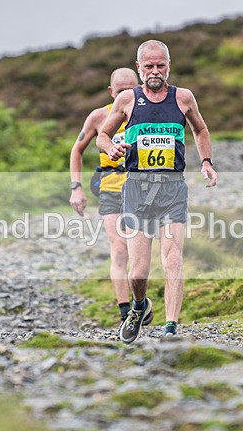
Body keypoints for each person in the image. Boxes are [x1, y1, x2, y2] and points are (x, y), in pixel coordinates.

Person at [96, 39, 217, 343]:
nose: (155, 71)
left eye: (160, 65)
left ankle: (171, 328)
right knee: (138, 270)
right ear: (139, 68)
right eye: (148, 66)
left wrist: (206, 161)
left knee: (173, 258)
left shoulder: (183, 98)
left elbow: (200, 129)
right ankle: (138, 306)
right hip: (136, 188)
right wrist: (111, 149)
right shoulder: (127, 100)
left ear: (169, 66)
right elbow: (102, 135)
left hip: (172, 188)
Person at [69, 68, 152, 326]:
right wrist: (76, 187)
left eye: (130, 90)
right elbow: (77, 150)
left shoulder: (149, 111)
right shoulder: (99, 116)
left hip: (143, 189)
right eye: (120, 92)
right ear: (110, 92)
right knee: (118, 250)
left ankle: (141, 302)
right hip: (111, 189)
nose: (125, 96)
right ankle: (126, 313)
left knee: (140, 254)